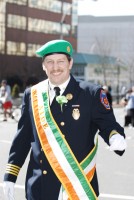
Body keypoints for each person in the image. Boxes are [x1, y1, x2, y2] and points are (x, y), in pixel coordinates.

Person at [3, 40, 127, 200]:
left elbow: (108, 125)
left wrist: (114, 137)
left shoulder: (91, 94)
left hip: (77, 190)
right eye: (50, 62)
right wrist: (10, 176)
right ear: (43, 65)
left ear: (70, 63)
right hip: (39, 189)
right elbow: (23, 138)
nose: (55, 67)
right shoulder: (32, 94)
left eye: (61, 61)